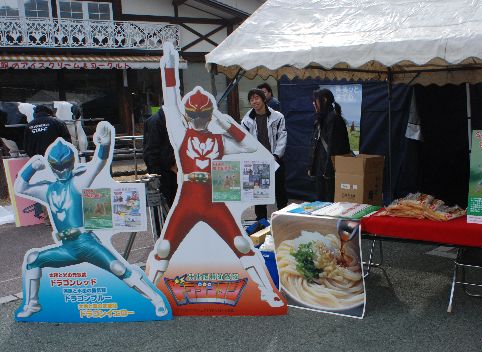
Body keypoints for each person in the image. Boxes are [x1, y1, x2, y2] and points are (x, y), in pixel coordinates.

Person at [146, 43, 282, 307]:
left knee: (241, 244)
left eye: (203, 114)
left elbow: (250, 146)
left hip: (212, 200)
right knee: (164, 247)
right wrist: (169, 69)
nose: (198, 118)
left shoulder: (218, 141)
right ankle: (148, 297)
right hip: (188, 199)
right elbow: (170, 103)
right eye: (195, 114)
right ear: (189, 115)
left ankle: (268, 292)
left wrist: (222, 120)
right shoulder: (182, 134)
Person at [14, 124, 168, 318]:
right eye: (57, 166)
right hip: (67, 247)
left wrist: (104, 145)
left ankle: (156, 300)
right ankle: (32, 305)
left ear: (70, 163)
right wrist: (31, 168)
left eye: (64, 165)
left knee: (119, 268)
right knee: (33, 259)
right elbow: (20, 188)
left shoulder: (77, 182)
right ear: (52, 166)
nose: (61, 170)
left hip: (86, 243)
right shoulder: (47, 189)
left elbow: (98, 164)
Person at [241, 88, 288, 220]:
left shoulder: (278, 117)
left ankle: (283, 217)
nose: (254, 101)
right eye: (251, 100)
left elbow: (282, 137)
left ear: (263, 99)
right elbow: (244, 140)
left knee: (280, 190)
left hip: (275, 159)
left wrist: (276, 156)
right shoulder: (246, 120)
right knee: (258, 194)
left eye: (256, 98)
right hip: (257, 162)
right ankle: (261, 220)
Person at [307, 88, 351, 202]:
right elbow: (315, 146)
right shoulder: (320, 118)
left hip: (330, 169)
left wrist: (329, 169)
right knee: (320, 200)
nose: (313, 103)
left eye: (316, 100)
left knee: (330, 199)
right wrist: (312, 166)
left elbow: (337, 148)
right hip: (320, 167)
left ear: (324, 100)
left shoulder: (335, 119)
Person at [143, 107, 178, 207]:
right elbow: (151, 151)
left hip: (171, 170)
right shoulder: (156, 121)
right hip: (163, 171)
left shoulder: (171, 119)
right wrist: (156, 175)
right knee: (165, 204)